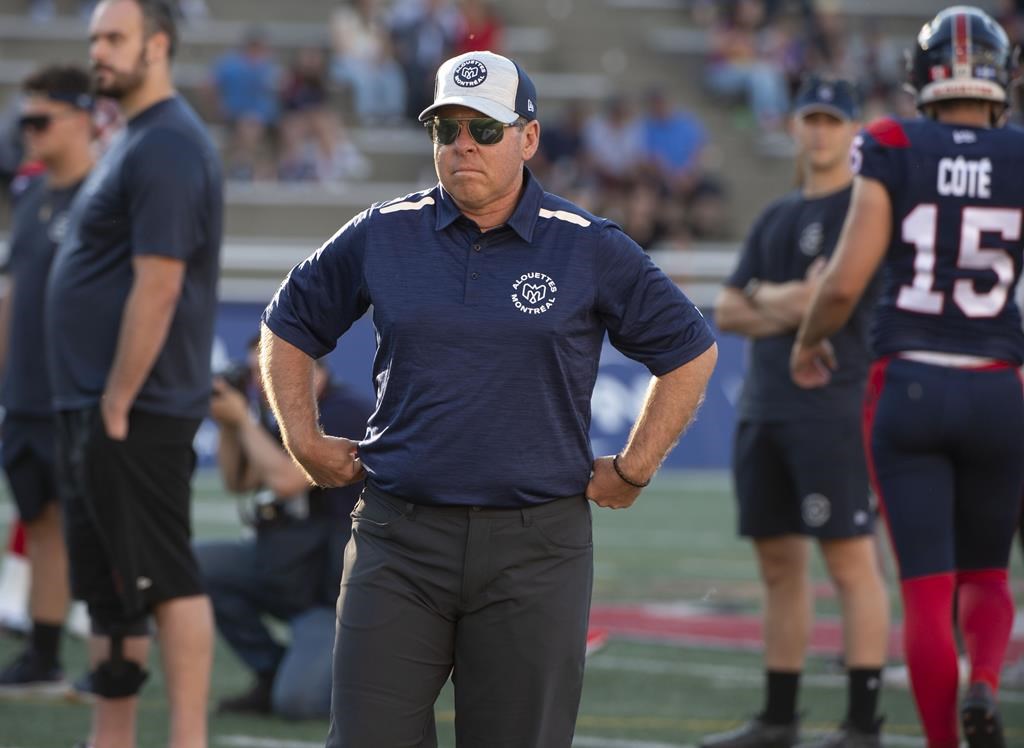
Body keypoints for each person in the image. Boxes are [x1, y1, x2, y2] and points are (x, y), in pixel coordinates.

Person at [260, 50, 718, 747]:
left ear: (528, 138)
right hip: (398, 538)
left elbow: (689, 349)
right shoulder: (384, 230)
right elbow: (287, 323)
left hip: (536, 550)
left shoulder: (587, 245)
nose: (463, 144)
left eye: (484, 128)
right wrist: (301, 438)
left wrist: (635, 467)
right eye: (446, 129)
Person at [791, 7, 1024, 748]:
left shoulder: (894, 142)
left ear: (922, 78)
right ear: (1001, 79)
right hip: (998, 384)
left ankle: (943, 741)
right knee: (988, 575)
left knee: (926, 592)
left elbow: (844, 282)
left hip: (910, 384)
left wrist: (808, 342)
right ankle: (984, 680)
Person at [44, 1, 223, 747]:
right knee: (107, 589)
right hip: (93, 403)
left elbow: (160, 282)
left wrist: (117, 399)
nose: (99, 52)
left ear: (157, 45)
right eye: (94, 39)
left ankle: (187, 740)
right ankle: (110, 738)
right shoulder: (131, 138)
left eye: (114, 38)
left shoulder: (168, 143)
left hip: (137, 406)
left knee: (164, 578)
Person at [702, 77, 889, 748]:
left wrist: (766, 297)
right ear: (795, 126)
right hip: (765, 407)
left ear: (853, 130)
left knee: (849, 562)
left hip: (831, 408)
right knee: (778, 566)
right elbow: (726, 310)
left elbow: (831, 296)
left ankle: (863, 722)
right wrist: (788, 298)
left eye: (833, 119)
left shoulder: (865, 208)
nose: (820, 130)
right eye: (811, 117)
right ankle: (779, 719)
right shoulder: (777, 215)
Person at [195, 339, 372, 720]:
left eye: (266, 370)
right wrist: (230, 425)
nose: (259, 381)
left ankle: (356, 672)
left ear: (306, 366)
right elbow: (238, 481)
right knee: (196, 565)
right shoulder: (278, 412)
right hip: (288, 564)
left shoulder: (345, 411)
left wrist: (244, 422)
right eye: (253, 373)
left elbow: (288, 481)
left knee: (298, 704)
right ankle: (270, 670)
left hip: (332, 588)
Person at [0, 65, 94, 696]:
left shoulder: (105, 196)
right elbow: (13, 292)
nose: (28, 132)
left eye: (41, 119)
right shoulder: (31, 194)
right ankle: (44, 653)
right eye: (24, 120)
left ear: (81, 116)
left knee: (97, 530)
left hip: (77, 397)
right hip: (26, 396)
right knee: (39, 523)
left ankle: (115, 660)